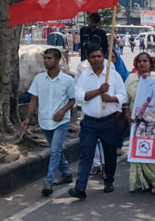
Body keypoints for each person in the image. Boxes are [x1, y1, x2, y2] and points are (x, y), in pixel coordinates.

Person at [69, 44, 127, 200]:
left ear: (104, 58)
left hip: (109, 121)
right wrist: (99, 91)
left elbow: (123, 95)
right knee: (86, 154)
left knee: (109, 154)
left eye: (99, 56)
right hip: (89, 122)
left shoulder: (113, 76)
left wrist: (112, 98)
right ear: (88, 59)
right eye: (93, 57)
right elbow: (80, 96)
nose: (96, 59)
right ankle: (80, 187)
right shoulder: (84, 76)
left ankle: (109, 181)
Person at [21, 48, 76, 196]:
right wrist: (27, 117)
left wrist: (62, 111)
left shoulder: (67, 80)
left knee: (54, 150)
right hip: (45, 120)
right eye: (45, 58)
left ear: (57, 60)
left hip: (61, 121)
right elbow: (34, 99)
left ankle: (48, 181)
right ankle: (66, 173)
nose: (46, 61)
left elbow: (72, 100)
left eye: (49, 58)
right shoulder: (39, 79)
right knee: (55, 149)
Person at [123, 52, 155, 194]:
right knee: (140, 151)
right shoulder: (131, 78)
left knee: (152, 150)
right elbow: (126, 100)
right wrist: (128, 115)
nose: (142, 64)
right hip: (136, 122)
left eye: (145, 61)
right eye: (139, 61)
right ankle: (142, 181)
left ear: (150, 63)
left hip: (154, 123)